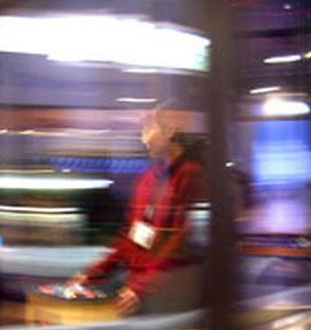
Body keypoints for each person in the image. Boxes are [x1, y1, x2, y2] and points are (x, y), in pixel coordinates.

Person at [71, 106, 208, 316]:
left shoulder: (191, 176)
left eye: (147, 130)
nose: (143, 140)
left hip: (170, 298)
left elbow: (179, 242)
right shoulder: (146, 179)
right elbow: (131, 236)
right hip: (137, 293)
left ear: (169, 129)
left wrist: (142, 288)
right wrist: (95, 273)